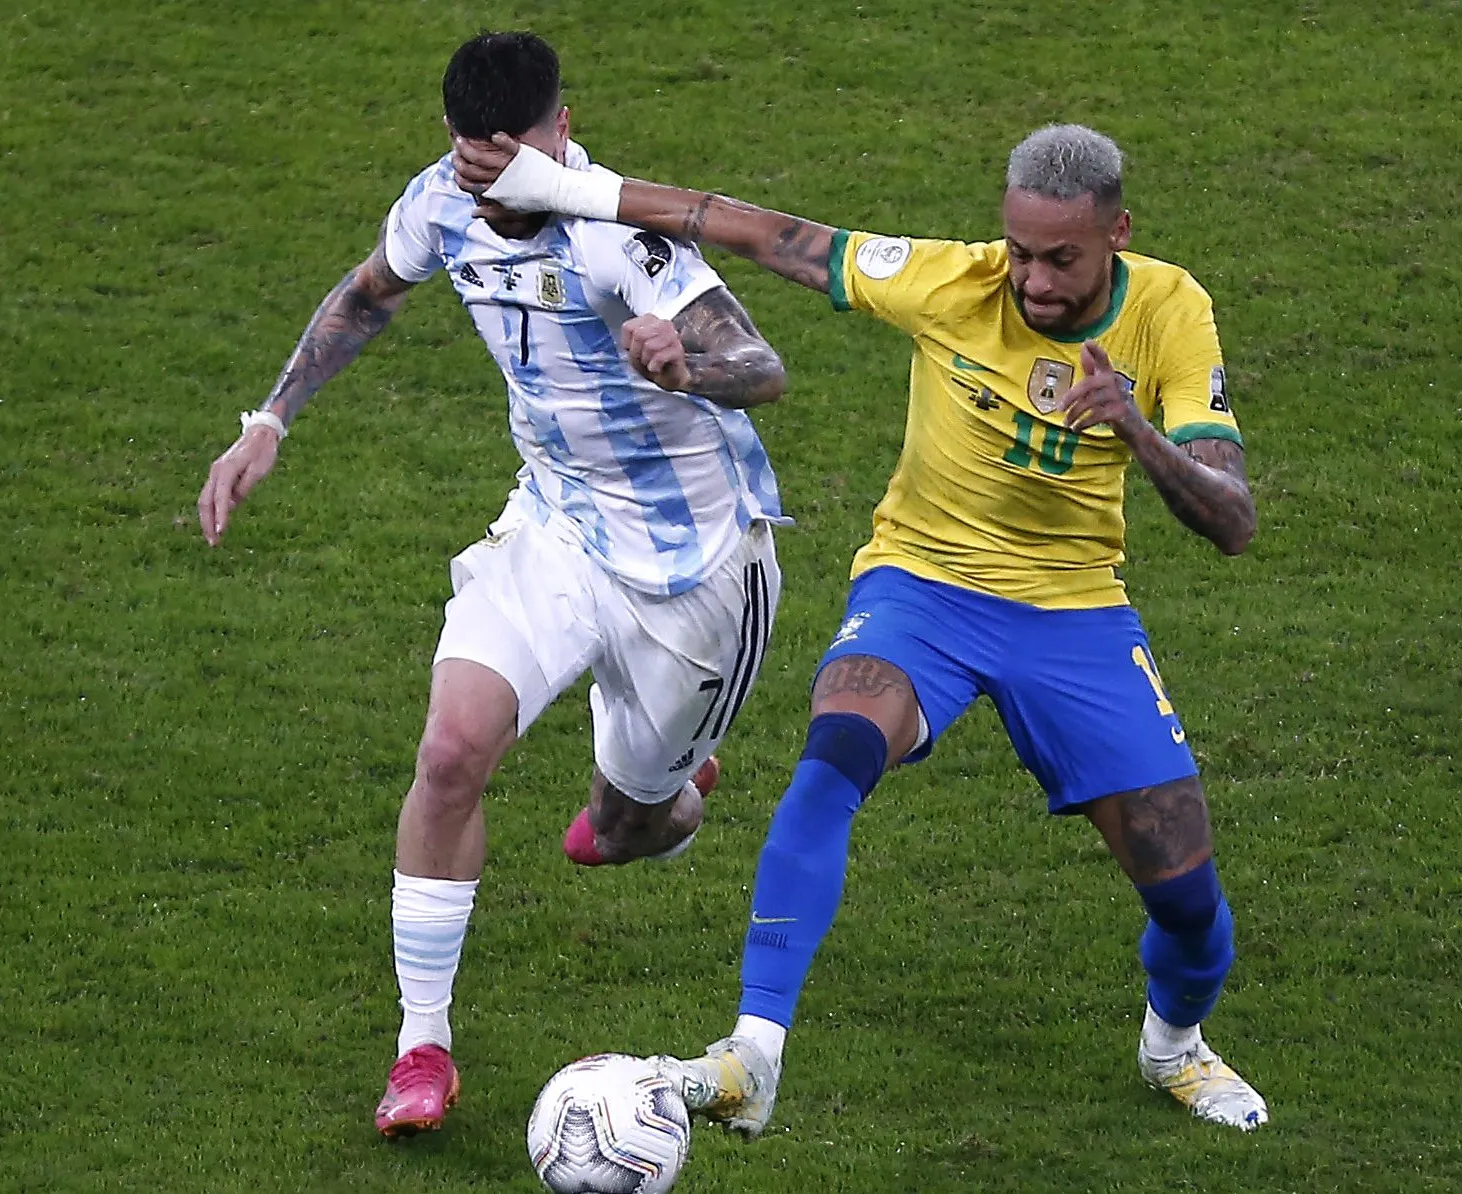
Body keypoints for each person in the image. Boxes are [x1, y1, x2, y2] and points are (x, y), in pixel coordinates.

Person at [452, 121, 1269, 1132]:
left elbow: (1231, 522)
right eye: (1018, 251)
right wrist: (560, 185)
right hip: (919, 590)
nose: (1033, 279)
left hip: (1073, 613)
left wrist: (1133, 426)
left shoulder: (1169, 312)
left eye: (1060, 258)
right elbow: (750, 231)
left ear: (1116, 235)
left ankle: (1173, 1047)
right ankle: (751, 1054)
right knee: (837, 744)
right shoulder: (948, 284)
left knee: (1187, 903)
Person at [197, 31, 792, 1138]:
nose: (497, 191)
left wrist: (685, 364)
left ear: (562, 131)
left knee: (623, 829)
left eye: (515, 165)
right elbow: (369, 292)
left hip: (695, 569)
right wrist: (270, 417)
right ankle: (422, 1047)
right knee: (449, 750)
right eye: (479, 168)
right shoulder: (439, 202)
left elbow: (763, 367)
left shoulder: (625, 242)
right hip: (557, 529)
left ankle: (660, 792)